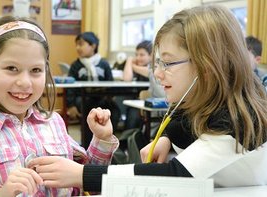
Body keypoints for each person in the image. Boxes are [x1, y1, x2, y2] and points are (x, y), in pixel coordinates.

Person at [29, 5, 267, 192]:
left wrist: (81, 175)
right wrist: (166, 137)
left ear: (207, 67)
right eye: (157, 63)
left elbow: (176, 175)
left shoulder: (239, 119)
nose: (158, 73)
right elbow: (182, 119)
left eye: (168, 63)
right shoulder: (200, 97)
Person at [0, 16, 119, 196]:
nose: (25, 82)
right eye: (11, 68)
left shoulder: (54, 122)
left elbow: (88, 183)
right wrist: (2, 193)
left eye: (36, 70)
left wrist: (101, 139)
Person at [66, 31, 120, 148]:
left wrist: (109, 97)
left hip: (102, 99)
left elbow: (110, 83)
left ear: (93, 46)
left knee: (115, 110)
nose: (78, 48)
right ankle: (87, 145)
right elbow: (70, 88)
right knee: (89, 108)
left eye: (81, 44)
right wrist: (71, 105)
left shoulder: (104, 64)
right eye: (77, 45)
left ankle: (109, 143)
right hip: (83, 99)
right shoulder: (76, 65)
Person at [122, 40, 151, 130]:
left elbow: (149, 72)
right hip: (136, 102)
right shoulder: (137, 66)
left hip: (150, 102)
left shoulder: (154, 66)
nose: (138, 58)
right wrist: (129, 61)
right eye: (136, 55)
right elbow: (127, 79)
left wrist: (131, 64)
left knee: (133, 114)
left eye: (142, 55)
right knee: (131, 112)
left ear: (151, 55)